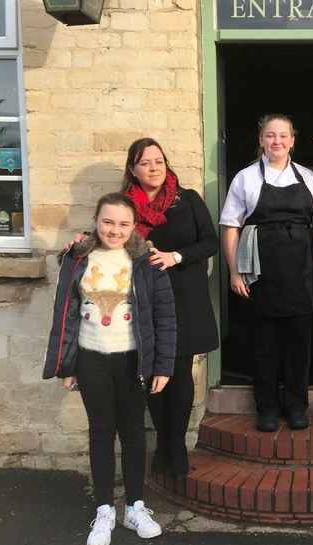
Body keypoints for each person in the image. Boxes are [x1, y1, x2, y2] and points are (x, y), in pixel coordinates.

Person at [43, 192, 176, 545]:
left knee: (133, 432)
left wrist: (163, 365)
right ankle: (104, 509)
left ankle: (135, 506)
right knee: (101, 431)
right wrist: (67, 365)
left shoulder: (147, 261)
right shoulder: (79, 257)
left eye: (123, 223)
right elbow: (66, 313)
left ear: (134, 227)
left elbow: (165, 316)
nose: (114, 230)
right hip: (91, 359)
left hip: (132, 360)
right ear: (96, 221)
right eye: (107, 222)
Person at [121, 138, 220, 479]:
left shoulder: (187, 200)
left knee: (178, 374)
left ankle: (173, 447)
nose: (154, 167)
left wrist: (175, 257)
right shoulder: (124, 208)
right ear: (132, 169)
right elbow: (108, 239)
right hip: (145, 301)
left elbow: (210, 242)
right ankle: (165, 442)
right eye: (145, 162)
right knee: (152, 372)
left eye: (159, 160)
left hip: (185, 299)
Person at [220, 114, 313, 432]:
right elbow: (230, 227)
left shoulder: (307, 177)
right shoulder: (246, 178)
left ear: (293, 140)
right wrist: (234, 272)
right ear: (261, 140)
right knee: (264, 346)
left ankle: (296, 407)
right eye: (270, 135)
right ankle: (266, 408)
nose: (276, 141)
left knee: (299, 347)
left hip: (301, 272)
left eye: (282, 135)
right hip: (260, 273)